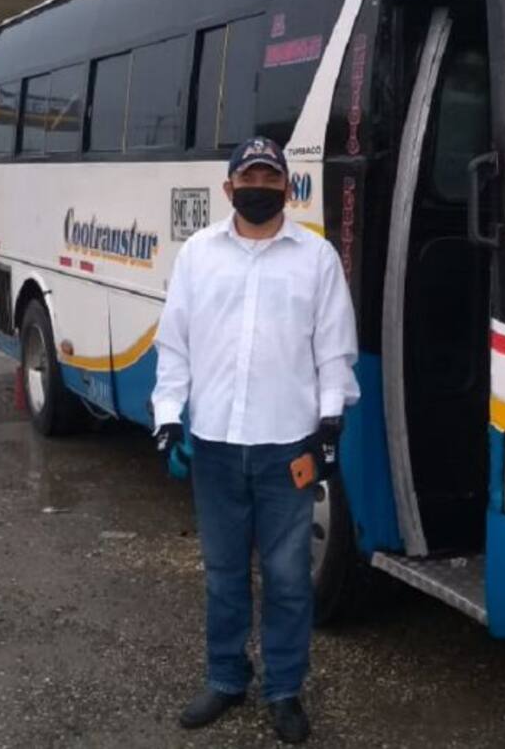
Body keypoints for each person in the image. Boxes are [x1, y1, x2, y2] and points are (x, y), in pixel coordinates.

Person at [151, 136, 359, 744]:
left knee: (290, 577)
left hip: (287, 448)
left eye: (271, 180)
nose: (260, 189)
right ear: (228, 189)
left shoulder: (316, 258)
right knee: (223, 575)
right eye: (250, 179)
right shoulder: (198, 255)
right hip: (214, 445)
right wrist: (168, 420)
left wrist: (328, 429)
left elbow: (334, 351)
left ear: (288, 189)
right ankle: (225, 677)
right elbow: (175, 348)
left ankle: (285, 689)